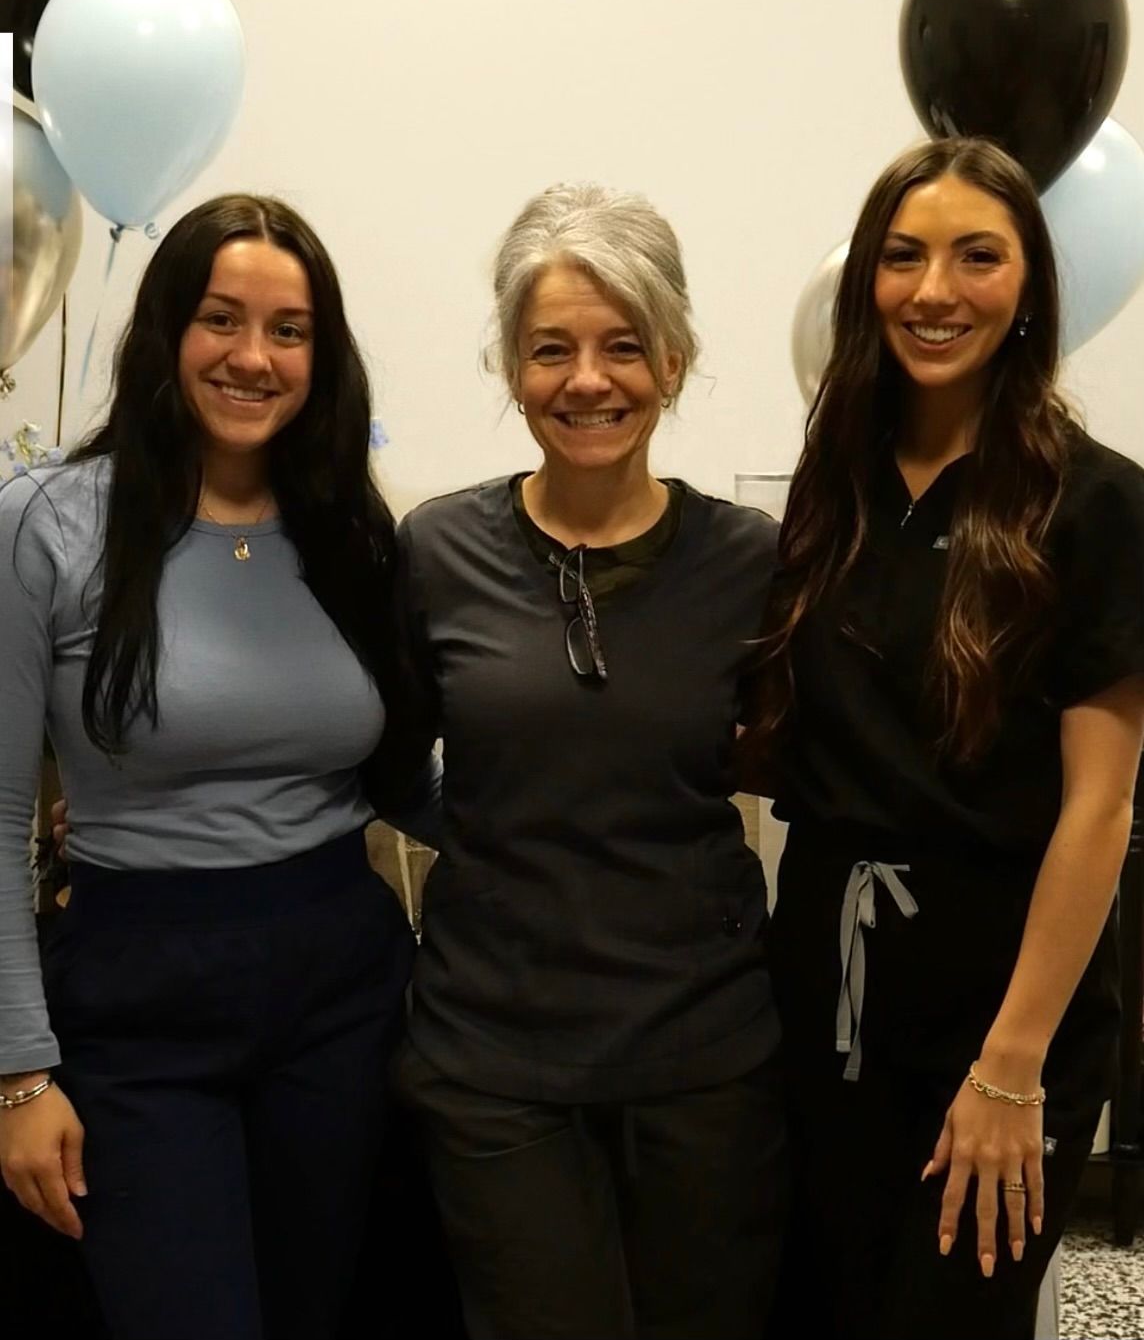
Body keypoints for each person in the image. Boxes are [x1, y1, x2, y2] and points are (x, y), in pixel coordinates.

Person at [0, 195, 433, 1340]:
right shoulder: (47, 522)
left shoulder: (352, 532)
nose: (254, 356)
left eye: (289, 329)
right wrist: (19, 1072)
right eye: (220, 319)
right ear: (164, 332)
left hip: (341, 991)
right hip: (137, 1001)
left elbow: (410, 776)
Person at [746, 138, 1144, 1340]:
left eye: (978, 256)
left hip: (1003, 996)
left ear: (1029, 285)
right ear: (867, 278)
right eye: (904, 256)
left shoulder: (1095, 501)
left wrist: (1008, 1064)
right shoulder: (835, 480)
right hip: (826, 981)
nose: (935, 290)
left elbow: (1099, 809)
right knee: (824, 1306)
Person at [392, 183, 786, 1340]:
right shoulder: (438, 549)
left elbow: (794, 763)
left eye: (623, 346)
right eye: (550, 348)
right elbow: (378, 761)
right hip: (494, 1060)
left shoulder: (750, 562)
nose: (587, 379)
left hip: (704, 1059)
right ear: (512, 367)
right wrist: (498, 834)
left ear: (673, 359)